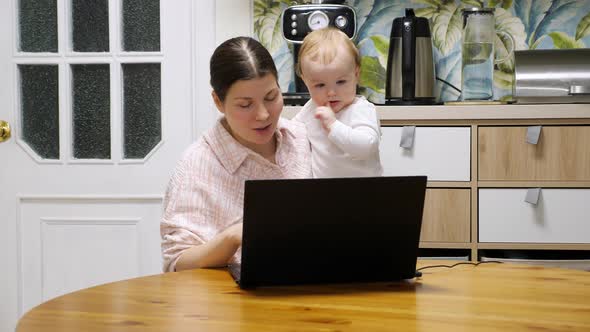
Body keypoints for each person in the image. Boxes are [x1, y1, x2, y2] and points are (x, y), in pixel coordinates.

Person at [160, 37, 312, 272]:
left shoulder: (302, 137)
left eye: (271, 97)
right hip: (231, 302)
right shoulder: (196, 165)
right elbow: (177, 263)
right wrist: (233, 236)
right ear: (218, 102)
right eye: (245, 105)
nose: (263, 115)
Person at [294, 28, 382, 178]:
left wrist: (333, 126)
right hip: (323, 195)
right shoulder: (311, 108)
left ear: (356, 75)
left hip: (365, 193)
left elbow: (367, 146)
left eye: (341, 82)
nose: (331, 93)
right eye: (320, 85)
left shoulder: (361, 109)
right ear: (305, 81)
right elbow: (292, 131)